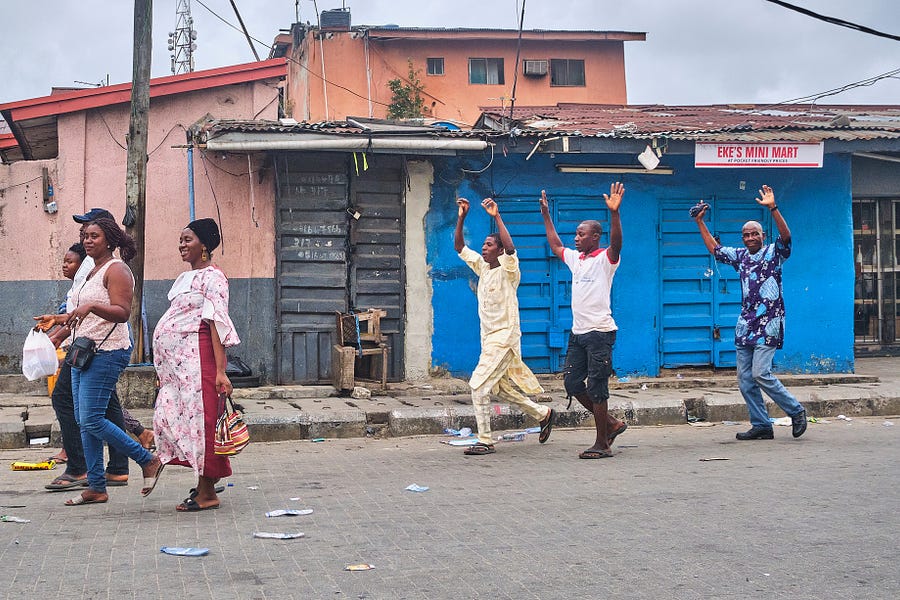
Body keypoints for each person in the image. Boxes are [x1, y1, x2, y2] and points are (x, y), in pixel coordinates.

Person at [35, 217, 163, 505]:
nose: (88, 240)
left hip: (107, 352)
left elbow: (122, 312)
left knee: (91, 418)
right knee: (84, 420)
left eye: (94, 235)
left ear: (109, 240)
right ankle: (96, 486)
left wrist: (92, 305)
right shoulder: (90, 270)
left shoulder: (117, 269)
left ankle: (148, 460)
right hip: (82, 351)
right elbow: (81, 314)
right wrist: (58, 319)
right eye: (85, 236)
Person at [692, 185, 807, 440]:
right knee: (745, 379)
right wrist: (700, 222)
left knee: (760, 373)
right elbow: (715, 249)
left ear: (763, 236)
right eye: (746, 235)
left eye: (755, 234)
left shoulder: (774, 253)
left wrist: (773, 208)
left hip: (770, 323)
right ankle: (762, 424)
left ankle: (796, 411)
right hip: (746, 325)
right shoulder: (741, 256)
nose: (750, 237)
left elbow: (786, 236)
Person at [455, 198, 554, 456]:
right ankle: (543, 413)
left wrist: (497, 216)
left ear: (499, 250)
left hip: (505, 338)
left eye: (489, 244)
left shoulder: (509, 270)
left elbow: (511, 249)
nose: (484, 247)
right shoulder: (483, 267)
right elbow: (460, 247)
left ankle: (485, 440)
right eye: (484, 244)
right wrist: (462, 217)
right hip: (489, 339)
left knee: (478, 386)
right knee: (501, 389)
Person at [153, 218, 240, 511]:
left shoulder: (214, 278)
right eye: (180, 240)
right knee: (175, 418)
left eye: (187, 239)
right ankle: (205, 482)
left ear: (204, 245)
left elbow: (216, 323)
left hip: (199, 362)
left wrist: (220, 371)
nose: (181, 245)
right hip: (178, 370)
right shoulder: (185, 278)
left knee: (202, 424)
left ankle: (207, 492)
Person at [540, 185, 629, 459]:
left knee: (598, 389)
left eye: (581, 234)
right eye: (576, 234)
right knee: (572, 383)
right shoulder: (577, 259)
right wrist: (546, 215)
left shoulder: (605, 260)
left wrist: (614, 214)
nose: (576, 238)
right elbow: (556, 245)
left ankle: (602, 443)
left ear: (595, 237)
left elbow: (617, 244)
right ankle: (611, 424)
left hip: (600, 333)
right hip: (578, 334)